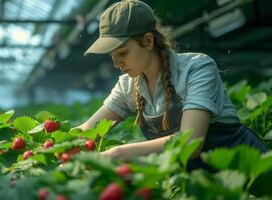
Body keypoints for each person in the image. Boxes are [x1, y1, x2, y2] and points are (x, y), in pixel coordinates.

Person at [78, 0, 267, 171]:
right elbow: (89, 129)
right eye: (112, 56)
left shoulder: (197, 68)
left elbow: (190, 143)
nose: (116, 63)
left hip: (250, 173)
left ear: (148, 41)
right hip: (200, 181)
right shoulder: (128, 85)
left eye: (122, 53)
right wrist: (56, 143)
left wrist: (117, 154)